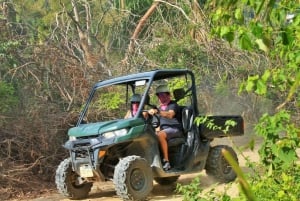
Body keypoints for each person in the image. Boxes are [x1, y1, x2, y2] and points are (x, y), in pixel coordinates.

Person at [148, 84, 182, 171]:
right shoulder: (159, 107)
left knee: (160, 135)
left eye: (163, 95)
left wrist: (158, 111)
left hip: (175, 129)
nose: (161, 97)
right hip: (164, 130)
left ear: (168, 95)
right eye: (159, 95)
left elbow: (170, 115)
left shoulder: (173, 104)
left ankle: (166, 161)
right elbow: (157, 124)